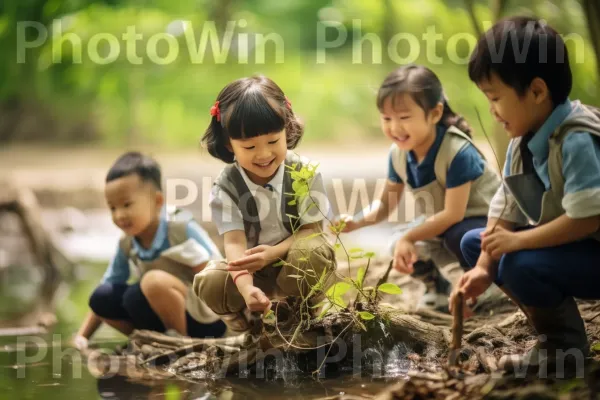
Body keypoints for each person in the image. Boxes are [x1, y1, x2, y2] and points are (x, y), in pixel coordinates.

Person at [451, 16, 600, 373]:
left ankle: (565, 351)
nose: (492, 110)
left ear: (536, 91)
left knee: (518, 259)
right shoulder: (522, 142)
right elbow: (505, 207)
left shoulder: (577, 137)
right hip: (579, 251)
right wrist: (485, 267)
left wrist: (520, 243)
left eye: (495, 97)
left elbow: (587, 219)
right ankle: (552, 327)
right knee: (477, 242)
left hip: (591, 242)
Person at [338, 64, 500, 311]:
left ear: (435, 113)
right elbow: (385, 205)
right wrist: (357, 221)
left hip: (483, 225)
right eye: (386, 119)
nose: (394, 128)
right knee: (398, 245)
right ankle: (440, 286)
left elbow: (454, 215)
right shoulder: (399, 155)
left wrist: (410, 235)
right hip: (445, 226)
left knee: (456, 236)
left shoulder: (457, 152)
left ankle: (486, 284)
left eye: (404, 118)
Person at [193, 75, 336, 336]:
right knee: (210, 281)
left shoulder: (304, 173)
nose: (263, 154)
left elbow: (312, 229)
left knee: (312, 252)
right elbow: (234, 243)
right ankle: (244, 322)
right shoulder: (226, 186)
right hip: (250, 270)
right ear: (229, 145)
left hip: (293, 263)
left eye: (273, 141)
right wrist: (247, 289)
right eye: (249, 146)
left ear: (287, 130)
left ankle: (304, 311)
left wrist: (271, 254)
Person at [73, 152, 226, 349]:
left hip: (206, 319)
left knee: (152, 283)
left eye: (127, 205)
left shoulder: (179, 227)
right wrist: (83, 337)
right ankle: (148, 339)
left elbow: (215, 275)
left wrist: (239, 321)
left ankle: (180, 343)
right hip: (164, 311)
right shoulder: (127, 242)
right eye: (112, 208)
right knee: (103, 297)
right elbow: (108, 285)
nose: (119, 215)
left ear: (158, 201)